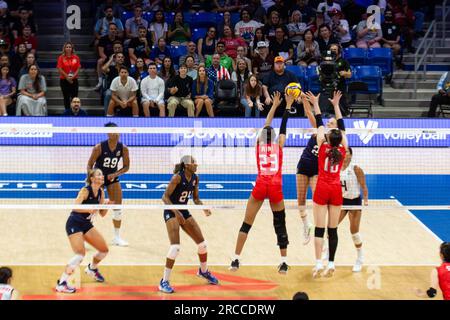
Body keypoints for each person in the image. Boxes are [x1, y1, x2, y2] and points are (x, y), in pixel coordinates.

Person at [230, 91, 294, 274]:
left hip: (260, 185)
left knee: (246, 224)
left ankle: (235, 259)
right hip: (275, 186)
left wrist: (274, 106)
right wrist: (287, 105)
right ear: (274, 137)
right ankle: (283, 262)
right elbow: (283, 126)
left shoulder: (258, 145)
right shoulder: (279, 145)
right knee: (280, 224)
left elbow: (267, 124)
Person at [159, 155, 219, 293]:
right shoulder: (177, 177)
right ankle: (164, 282)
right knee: (175, 248)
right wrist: (177, 212)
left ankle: (203, 271)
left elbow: (196, 198)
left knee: (203, 245)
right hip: (171, 211)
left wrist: (203, 207)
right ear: (186, 165)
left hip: (183, 211)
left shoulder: (195, 178)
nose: (196, 164)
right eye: (193, 162)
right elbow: (165, 197)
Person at [304, 90, 348, 278]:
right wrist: (336, 105)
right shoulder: (343, 149)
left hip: (322, 188)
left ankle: (318, 263)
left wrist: (316, 103)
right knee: (333, 229)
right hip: (336, 189)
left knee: (319, 229)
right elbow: (342, 127)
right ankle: (331, 263)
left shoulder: (322, 145)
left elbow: (319, 121)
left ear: (329, 138)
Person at [296, 95, 343, 245]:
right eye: (328, 122)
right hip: (304, 164)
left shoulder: (335, 143)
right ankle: (306, 226)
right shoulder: (319, 132)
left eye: (332, 123)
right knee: (301, 200)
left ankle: (321, 234)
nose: (329, 124)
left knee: (319, 201)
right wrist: (303, 99)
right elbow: (310, 114)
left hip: (318, 170)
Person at [55, 169, 111, 293]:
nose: (102, 177)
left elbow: (102, 213)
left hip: (86, 224)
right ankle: (62, 283)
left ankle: (92, 268)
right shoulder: (85, 191)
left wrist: (107, 205)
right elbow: (75, 207)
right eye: (99, 174)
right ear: (92, 178)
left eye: (102, 175)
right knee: (80, 254)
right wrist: (88, 209)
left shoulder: (101, 192)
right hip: (74, 223)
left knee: (104, 250)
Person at [87, 122, 130, 247]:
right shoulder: (99, 147)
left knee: (118, 207)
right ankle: (88, 237)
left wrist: (116, 174)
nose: (116, 133)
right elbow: (90, 165)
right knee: (92, 209)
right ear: (108, 134)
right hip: (98, 178)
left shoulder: (124, 148)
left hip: (112, 178)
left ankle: (116, 237)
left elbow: (127, 166)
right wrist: (91, 179)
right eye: (113, 131)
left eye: (117, 131)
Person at [339, 147, 368, 272]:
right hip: (342, 201)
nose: (345, 154)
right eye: (343, 152)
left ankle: (360, 258)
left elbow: (364, 186)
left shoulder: (356, 168)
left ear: (351, 155)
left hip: (355, 201)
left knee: (354, 232)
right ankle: (328, 255)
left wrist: (365, 200)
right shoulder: (337, 167)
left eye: (347, 152)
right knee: (331, 226)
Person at [57, 42, 81, 111]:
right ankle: (67, 111)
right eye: (67, 47)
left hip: (74, 80)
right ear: (64, 48)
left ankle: (75, 111)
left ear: (72, 48)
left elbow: (78, 68)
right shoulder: (61, 58)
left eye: (69, 47)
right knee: (66, 97)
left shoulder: (76, 57)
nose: (68, 48)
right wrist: (67, 77)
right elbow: (59, 68)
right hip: (64, 80)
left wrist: (72, 77)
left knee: (75, 97)